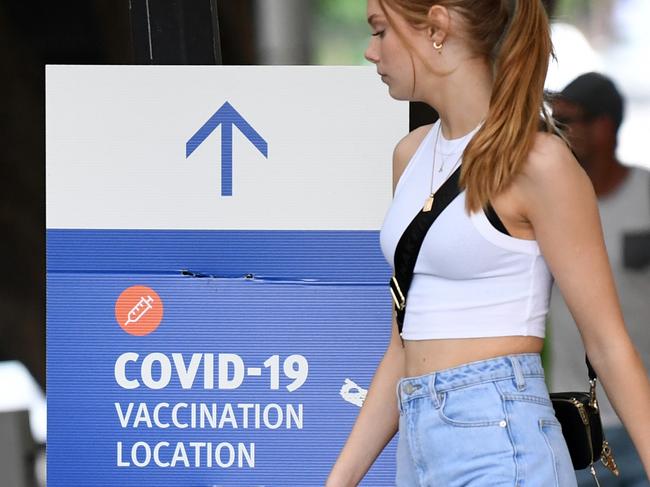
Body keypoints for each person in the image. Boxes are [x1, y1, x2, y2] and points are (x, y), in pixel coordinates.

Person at [325, 1, 650, 486]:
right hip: (417, 440)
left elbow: (607, 344)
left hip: (501, 435)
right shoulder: (410, 155)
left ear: (436, 27)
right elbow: (403, 347)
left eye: (380, 31)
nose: (371, 52)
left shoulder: (539, 163)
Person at [550, 72, 650, 486]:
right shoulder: (547, 203)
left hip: (641, 421)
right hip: (573, 423)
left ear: (604, 127)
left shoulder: (646, 196)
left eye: (566, 122)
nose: (556, 133)